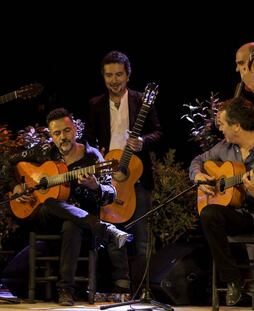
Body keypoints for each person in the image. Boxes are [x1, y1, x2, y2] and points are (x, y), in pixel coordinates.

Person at [11, 107, 130, 306]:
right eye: (56, 133)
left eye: (66, 131)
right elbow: (13, 161)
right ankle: (104, 229)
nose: (62, 137)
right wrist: (18, 186)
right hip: (47, 221)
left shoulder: (92, 158)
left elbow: (111, 195)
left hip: (81, 229)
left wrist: (96, 186)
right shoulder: (44, 152)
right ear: (51, 135)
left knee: (71, 224)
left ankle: (65, 290)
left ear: (76, 130)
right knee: (49, 202)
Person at [85, 50, 163, 295]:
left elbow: (158, 132)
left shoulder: (141, 101)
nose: (114, 80)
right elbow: (88, 139)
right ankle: (121, 284)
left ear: (128, 75)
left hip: (137, 176)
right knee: (113, 231)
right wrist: (97, 156)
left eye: (119, 74)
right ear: (103, 76)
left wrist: (142, 141)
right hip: (110, 177)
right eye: (109, 75)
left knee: (141, 236)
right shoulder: (96, 104)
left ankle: (143, 287)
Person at [189, 96, 254, 306]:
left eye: (223, 124)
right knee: (209, 213)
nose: (220, 129)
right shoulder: (224, 147)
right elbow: (197, 161)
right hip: (237, 215)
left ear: (236, 125)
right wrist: (198, 176)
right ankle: (234, 281)